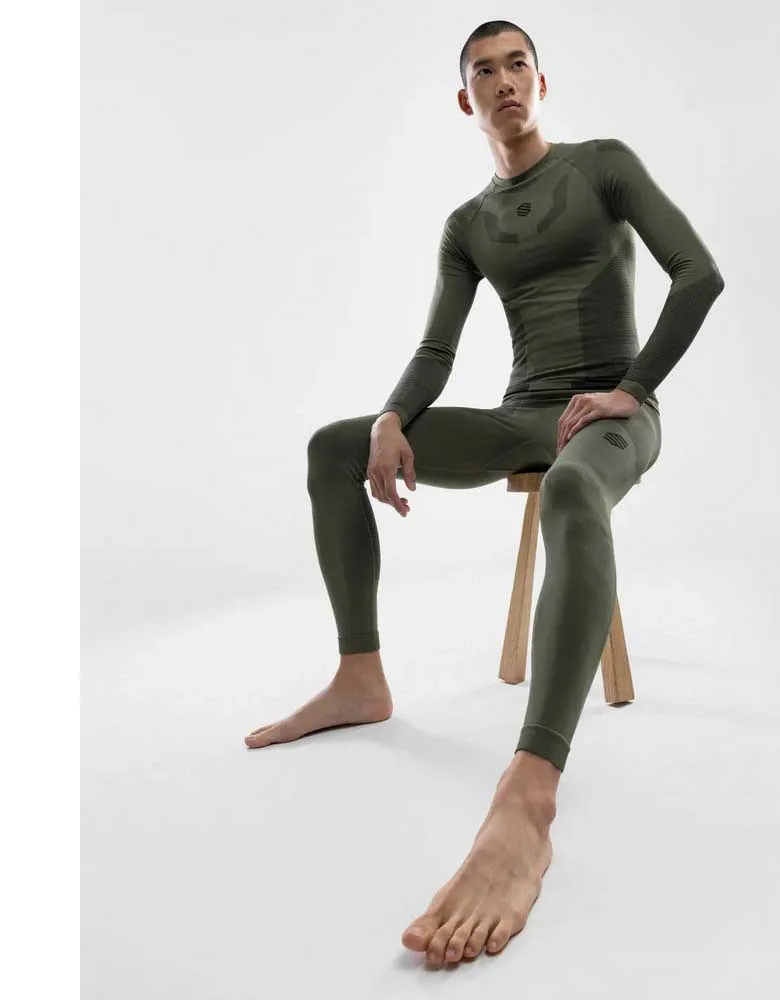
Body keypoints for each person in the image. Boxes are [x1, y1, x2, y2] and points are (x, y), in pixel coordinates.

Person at [245, 19, 725, 967]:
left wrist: (632, 388)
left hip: (611, 415)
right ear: (465, 101)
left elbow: (699, 275)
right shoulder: (467, 226)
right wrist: (392, 417)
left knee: (572, 493)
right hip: (522, 415)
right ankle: (360, 679)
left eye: (518, 65)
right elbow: (437, 350)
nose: (504, 81)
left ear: (542, 82)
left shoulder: (603, 166)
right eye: (484, 72)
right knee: (335, 446)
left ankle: (529, 791)